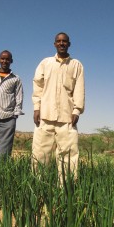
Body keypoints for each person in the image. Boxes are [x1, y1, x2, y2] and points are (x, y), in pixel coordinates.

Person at [31, 32, 85, 179]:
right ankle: (39, 187)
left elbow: (79, 90)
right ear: (54, 44)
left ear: (69, 44)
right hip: (45, 116)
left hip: (67, 118)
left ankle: (66, 191)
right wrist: (37, 107)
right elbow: (38, 86)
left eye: (64, 41)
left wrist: (77, 110)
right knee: (40, 154)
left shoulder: (76, 65)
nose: (61, 43)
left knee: (69, 157)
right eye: (58, 41)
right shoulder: (45, 63)